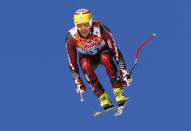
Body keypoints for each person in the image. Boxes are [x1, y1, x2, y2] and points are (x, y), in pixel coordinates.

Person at [65, 9, 132, 110]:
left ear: (91, 23)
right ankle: (102, 97)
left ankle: (118, 91)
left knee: (106, 57)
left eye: (86, 25)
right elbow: (72, 61)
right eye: (79, 26)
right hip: (87, 58)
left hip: (102, 53)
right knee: (85, 64)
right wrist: (77, 80)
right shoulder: (71, 37)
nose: (83, 29)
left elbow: (115, 50)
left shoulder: (101, 30)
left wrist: (123, 71)